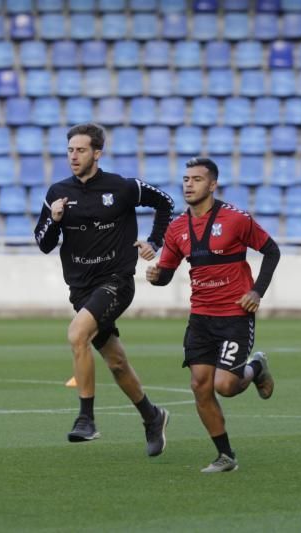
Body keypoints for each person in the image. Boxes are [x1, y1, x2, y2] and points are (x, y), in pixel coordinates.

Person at [34, 123, 174, 457]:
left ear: (97, 152)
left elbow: (165, 202)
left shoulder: (121, 187)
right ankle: (152, 417)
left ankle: (86, 419)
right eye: (69, 150)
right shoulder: (57, 192)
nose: (73, 156)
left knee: (76, 334)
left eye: (80, 150)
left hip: (117, 281)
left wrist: (154, 242)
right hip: (80, 289)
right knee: (117, 363)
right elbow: (43, 243)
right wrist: (53, 220)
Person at [145, 157, 280, 473]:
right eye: (185, 179)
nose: (189, 184)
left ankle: (256, 367)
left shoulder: (236, 219)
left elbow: (271, 251)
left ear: (213, 184)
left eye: (196, 179)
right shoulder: (177, 227)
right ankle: (226, 456)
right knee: (199, 385)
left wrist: (257, 291)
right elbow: (166, 273)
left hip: (234, 315)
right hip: (201, 317)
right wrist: (155, 276)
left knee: (226, 386)